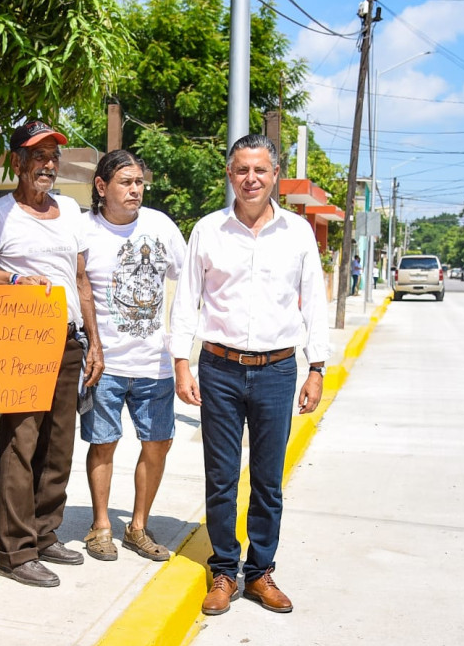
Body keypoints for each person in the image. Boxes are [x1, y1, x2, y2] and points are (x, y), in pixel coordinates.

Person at [170, 134, 329, 616]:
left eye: (260, 170)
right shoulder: (208, 230)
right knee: (219, 477)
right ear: (229, 175)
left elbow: (315, 302)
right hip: (218, 367)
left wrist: (316, 367)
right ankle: (223, 570)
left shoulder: (297, 233)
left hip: (278, 370)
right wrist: (182, 361)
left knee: (267, 480)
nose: (251, 179)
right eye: (241, 170)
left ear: (275, 174)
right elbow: (187, 300)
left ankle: (260, 572)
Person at [0, 120, 104, 587]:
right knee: (21, 444)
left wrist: (94, 339)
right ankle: (15, 553)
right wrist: (16, 281)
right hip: (20, 340)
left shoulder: (71, 211)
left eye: (53, 157)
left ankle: (44, 533)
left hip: (68, 339)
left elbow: (80, 279)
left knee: (58, 445)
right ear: (16, 162)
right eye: (37, 156)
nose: (48, 165)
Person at [81, 150, 187, 563]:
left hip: (153, 364)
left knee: (158, 443)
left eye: (139, 182)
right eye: (126, 182)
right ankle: (101, 526)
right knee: (103, 444)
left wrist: (179, 348)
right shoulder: (85, 230)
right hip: (104, 364)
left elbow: (191, 278)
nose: (135, 189)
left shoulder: (160, 225)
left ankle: (138, 527)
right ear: (102, 186)